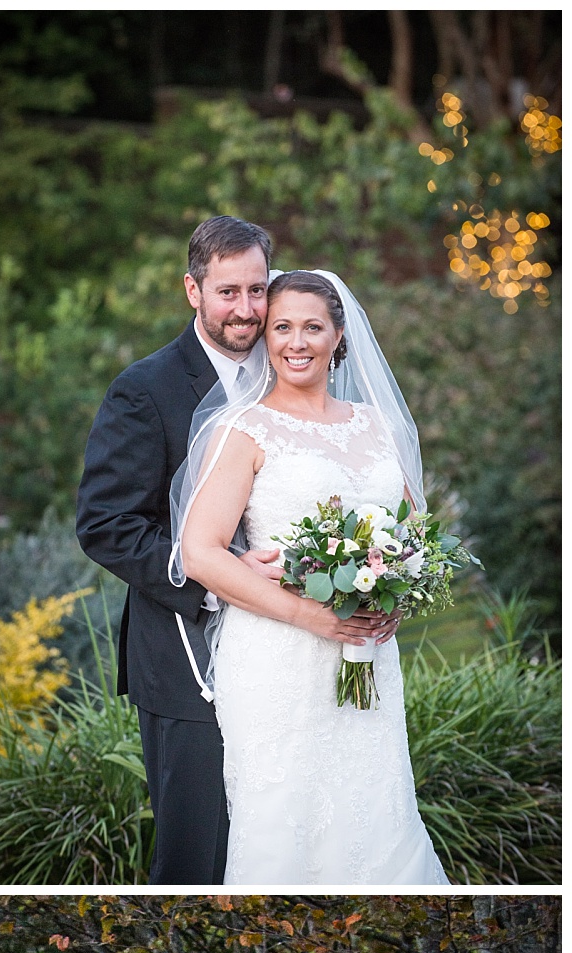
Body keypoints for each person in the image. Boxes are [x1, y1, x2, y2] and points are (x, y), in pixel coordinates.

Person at [175, 270, 447, 885]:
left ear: (339, 334)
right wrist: (314, 615)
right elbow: (200, 554)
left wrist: (396, 593)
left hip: (368, 651)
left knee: (378, 809)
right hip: (277, 659)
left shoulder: (378, 428)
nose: (297, 342)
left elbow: (415, 536)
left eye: (312, 327)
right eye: (282, 328)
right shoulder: (241, 430)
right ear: (266, 339)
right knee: (284, 818)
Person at [75, 216, 277, 886]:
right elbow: (105, 523)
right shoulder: (147, 388)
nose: (245, 309)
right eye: (228, 292)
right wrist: (216, 578)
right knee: (197, 855)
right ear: (192, 290)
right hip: (188, 657)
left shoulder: (294, 375)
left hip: (287, 659)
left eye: (257, 290)